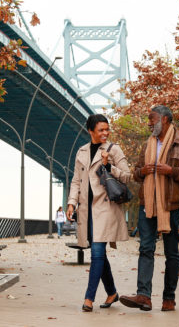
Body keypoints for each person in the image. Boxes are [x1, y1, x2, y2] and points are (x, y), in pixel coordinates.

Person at [120, 105, 179, 312]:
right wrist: (142, 171)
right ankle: (144, 296)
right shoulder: (147, 146)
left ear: (164, 120)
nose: (149, 123)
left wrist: (172, 170)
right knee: (146, 248)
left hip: (170, 206)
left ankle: (169, 298)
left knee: (171, 253)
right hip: (147, 205)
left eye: (152, 119)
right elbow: (136, 173)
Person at [66, 113, 130, 312]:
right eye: (101, 130)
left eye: (107, 129)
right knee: (99, 253)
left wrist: (108, 165)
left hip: (105, 208)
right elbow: (76, 180)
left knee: (96, 253)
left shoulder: (113, 149)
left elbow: (127, 176)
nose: (105, 133)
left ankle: (88, 299)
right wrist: (71, 204)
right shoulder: (82, 151)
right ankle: (111, 292)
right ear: (91, 131)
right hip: (86, 210)